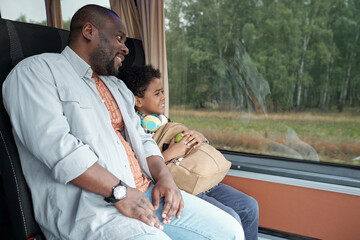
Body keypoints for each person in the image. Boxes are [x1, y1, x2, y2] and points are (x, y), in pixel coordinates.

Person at [2, 4, 244, 240]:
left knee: (230, 229)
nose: (125, 49)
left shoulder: (115, 85)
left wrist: (165, 179)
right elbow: (59, 150)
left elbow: (142, 139)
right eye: (119, 38)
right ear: (89, 32)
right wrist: (120, 192)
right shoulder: (35, 73)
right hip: (93, 210)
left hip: (143, 192)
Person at [119, 65, 259, 240]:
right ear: (138, 101)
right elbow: (137, 171)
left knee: (249, 206)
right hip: (180, 183)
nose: (163, 98)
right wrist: (170, 153)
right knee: (232, 217)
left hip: (201, 178)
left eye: (162, 92)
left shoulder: (163, 120)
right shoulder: (133, 130)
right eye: (157, 94)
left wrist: (199, 137)